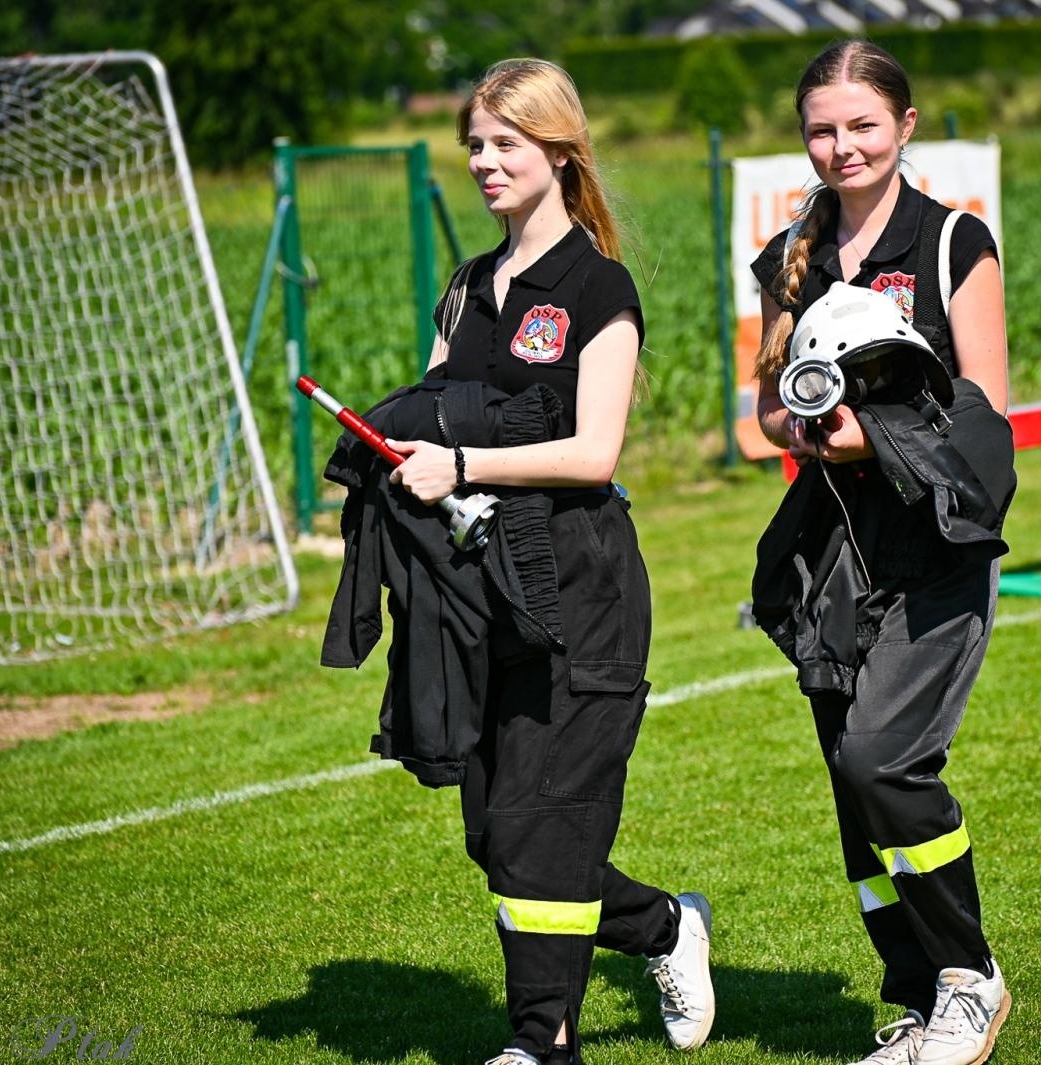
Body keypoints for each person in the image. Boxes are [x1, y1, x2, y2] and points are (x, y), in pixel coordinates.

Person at [379, 59, 714, 1065]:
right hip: (486, 588)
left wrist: (466, 461)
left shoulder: (596, 286)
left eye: (503, 144)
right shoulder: (468, 286)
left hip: (584, 588)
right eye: (473, 145)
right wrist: (397, 451)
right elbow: (438, 409)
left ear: (559, 152)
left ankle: (541, 1044)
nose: (482, 162)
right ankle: (664, 927)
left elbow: (593, 451)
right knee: (499, 836)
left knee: (543, 828)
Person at [749, 41, 1012, 1065]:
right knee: (850, 793)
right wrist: (802, 429)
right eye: (821, 128)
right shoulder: (790, 258)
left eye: (861, 124)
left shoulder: (952, 243)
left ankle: (968, 977)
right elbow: (759, 418)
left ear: (904, 126)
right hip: (831, 559)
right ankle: (909, 1001)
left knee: (883, 761)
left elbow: (987, 403)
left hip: (936, 542)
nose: (840, 145)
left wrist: (874, 434)